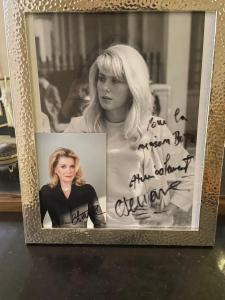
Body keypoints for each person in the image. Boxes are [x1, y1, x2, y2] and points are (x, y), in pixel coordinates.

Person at [65, 44, 195, 228]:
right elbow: (55, 177)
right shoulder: (80, 126)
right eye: (101, 79)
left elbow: (192, 173)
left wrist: (166, 212)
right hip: (93, 228)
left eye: (116, 81)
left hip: (139, 228)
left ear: (133, 87)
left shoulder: (154, 129)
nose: (105, 88)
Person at [39, 147, 106, 228]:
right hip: (57, 240)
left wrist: (92, 240)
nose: (69, 171)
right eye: (63, 166)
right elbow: (36, 225)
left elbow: (100, 224)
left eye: (72, 166)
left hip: (84, 239)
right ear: (55, 169)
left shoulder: (88, 190)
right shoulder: (46, 191)